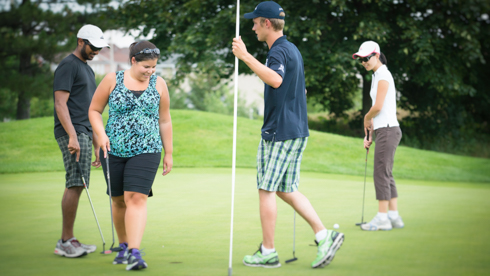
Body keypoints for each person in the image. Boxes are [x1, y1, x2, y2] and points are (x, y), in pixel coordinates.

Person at [232, 1, 344, 269]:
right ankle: (323, 235)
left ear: (267, 23)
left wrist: (245, 56)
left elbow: (276, 80)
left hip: (280, 132)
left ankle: (268, 251)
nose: (252, 26)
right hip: (294, 130)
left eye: (256, 21)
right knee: (285, 189)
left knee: (266, 189)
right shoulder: (292, 49)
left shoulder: (278, 52)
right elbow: (301, 91)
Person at [88, 40, 173, 271]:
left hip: (147, 149)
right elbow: (94, 110)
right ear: (133, 60)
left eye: (154, 67)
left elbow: (164, 120)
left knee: (136, 197)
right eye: (146, 66)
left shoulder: (159, 84)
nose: (150, 71)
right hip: (112, 149)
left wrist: (169, 152)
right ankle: (124, 245)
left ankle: (135, 252)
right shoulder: (111, 80)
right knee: (118, 200)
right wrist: (101, 135)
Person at [53, 24, 109, 258]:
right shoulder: (68, 65)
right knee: (76, 182)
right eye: (93, 47)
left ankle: (70, 239)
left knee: (80, 182)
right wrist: (73, 136)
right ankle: (65, 241)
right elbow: (60, 104)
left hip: (84, 132)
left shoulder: (86, 69)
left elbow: (90, 108)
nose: (96, 51)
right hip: (72, 131)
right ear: (80, 42)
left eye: (99, 48)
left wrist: (96, 142)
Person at [352, 41, 404, 231]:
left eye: (366, 58)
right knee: (387, 173)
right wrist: (371, 130)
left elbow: (378, 107)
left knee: (381, 173)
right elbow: (381, 111)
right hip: (385, 129)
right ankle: (394, 216)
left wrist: (367, 117)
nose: (364, 62)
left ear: (376, 55)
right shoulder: (377, 75)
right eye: (361, 59)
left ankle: (382, 218)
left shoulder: (383, 75)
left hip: (389, 130)